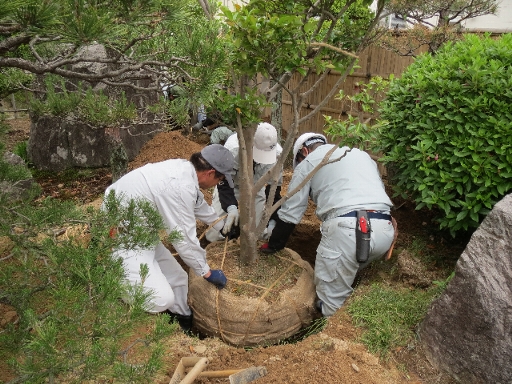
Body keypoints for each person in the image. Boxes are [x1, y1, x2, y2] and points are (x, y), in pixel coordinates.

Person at [260, 132, 396, 317]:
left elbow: (291, 214)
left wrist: (274, 244)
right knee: (346, 273)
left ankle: (326, 332)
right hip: (385, 230)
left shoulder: (308, 163)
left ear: (304, 151)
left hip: (347, 231)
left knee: (329, 302)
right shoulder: (361, 155)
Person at [104, 144, 235, 332]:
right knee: (161, 299)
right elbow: (184, 240)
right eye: (220, 179)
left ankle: (184, 321)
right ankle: (115, 275)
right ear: (210, 173)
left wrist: (223, 225)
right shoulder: (179, 187)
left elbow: (198, 204)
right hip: (124, 236)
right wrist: (206, 272)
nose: (218, 183)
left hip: (143, 231)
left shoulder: (185, 171)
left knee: (179, 278)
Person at [206, 122, 283, 242]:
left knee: (258, 234)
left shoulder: (277, 155)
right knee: (214, 234)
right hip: (231, 185)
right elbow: (223, 182)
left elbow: (274, 191)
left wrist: (273, 220)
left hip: (256, 187)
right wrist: (231, 207)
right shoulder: (232, 150)